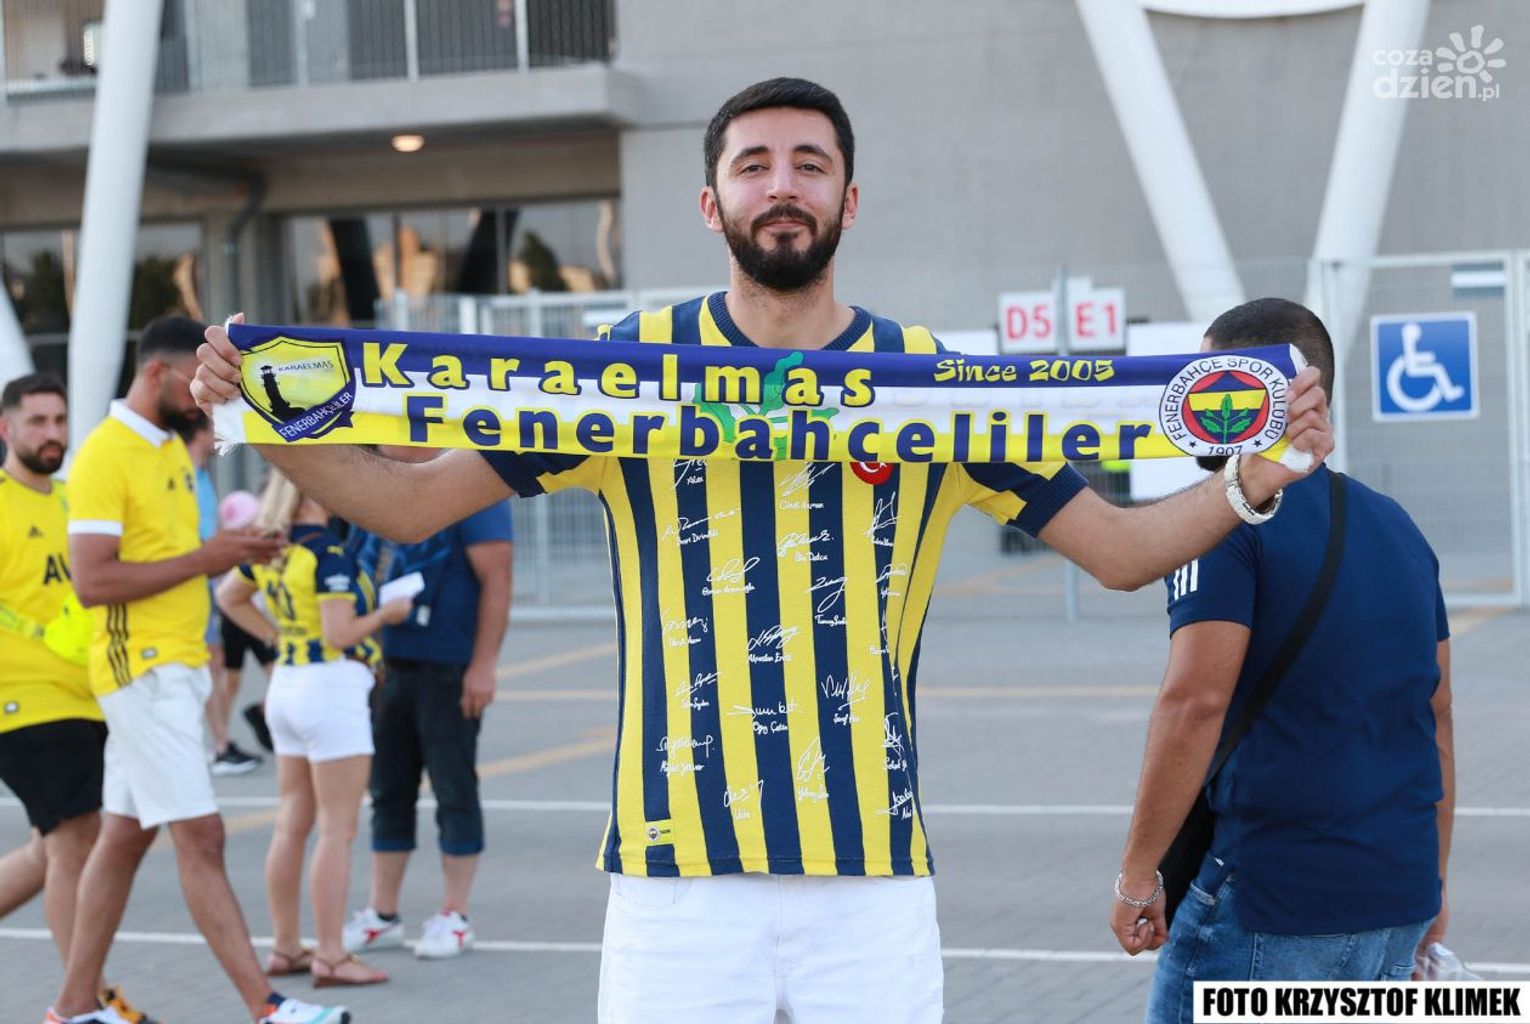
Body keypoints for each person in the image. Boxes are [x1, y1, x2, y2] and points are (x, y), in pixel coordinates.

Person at [195, 79, 1333, 1023]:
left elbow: (1123, 552)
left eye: (809, 164)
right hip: (675, 882)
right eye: (754, 166)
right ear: (712, 202)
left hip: (871, 880)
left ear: (849, 199)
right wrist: (258, 415)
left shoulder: (932, 384)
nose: (782, 185)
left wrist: (1251, 477)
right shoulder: (626, 370)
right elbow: (409, 506)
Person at [1109, 298, 1454, 1020]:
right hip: (1399, 892)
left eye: (1211, 381)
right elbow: (1436, 715)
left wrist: (1138, 877)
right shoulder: (1399, 526)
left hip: (1272, 902)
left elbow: (1194, 703)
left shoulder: (1221, 525)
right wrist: (1436, 887)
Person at [53, 316, 348, 1024]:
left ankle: (71, 1010)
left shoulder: (168, 452)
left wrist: (233, 548)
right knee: (202, 837)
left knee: (123, 840)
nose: (205, 394)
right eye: (196, 379)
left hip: (174, 670)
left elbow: (172, 560)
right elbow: (92, 583)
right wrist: (209, 558)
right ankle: (265, 1007)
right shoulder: (104, 455)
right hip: (142, 670)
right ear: (156, 372)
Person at [0, 373, 156, 1024]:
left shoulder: (72, 501)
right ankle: (83, 1004)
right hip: (22, 700)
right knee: (74, 841)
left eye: (59, 421)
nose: (52, 434)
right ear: (7, 428)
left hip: (91, 694)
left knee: (51, 849)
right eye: (37, 421)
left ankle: (84, 998)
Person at [216, 469, 410, 987]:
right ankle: (331, 954)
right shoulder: (328, 553)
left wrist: (277, 639)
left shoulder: (274, 548)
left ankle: (285, 945)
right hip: (330, 687)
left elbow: (229, 597)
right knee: (336, 829)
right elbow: (340, 632)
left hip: (288, 684)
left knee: (291, 822)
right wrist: (386, 615)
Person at [341, 446, 512, 961]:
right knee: (388, 790)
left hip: (448, 665)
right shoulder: (376, 481)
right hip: (388, 664)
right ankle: (382, 913)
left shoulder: (470, 475)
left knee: (453, 788)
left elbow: (498, 577)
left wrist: (483, 665)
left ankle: (455, 915)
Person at [179, 415, 264, 775]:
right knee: (206, 662)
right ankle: (216, 745)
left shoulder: (199, 474)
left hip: (206, 578)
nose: (221, 437)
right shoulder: (181, 470)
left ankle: (220, 743)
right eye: (215, 429)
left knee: (213, 662)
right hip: (191, 577)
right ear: (201, 433)